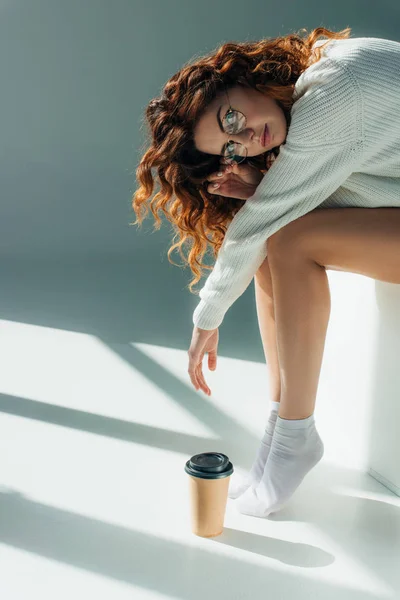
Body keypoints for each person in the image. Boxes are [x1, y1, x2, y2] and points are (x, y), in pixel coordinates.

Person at [132, 26, 400, 518]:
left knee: (288, 237)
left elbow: (264, 221)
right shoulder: (318, 75)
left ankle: (294, 437)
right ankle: (283, 430)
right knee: (278, 234)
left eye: (230, 116)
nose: (246, 138)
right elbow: (380, 181)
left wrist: (207, 317)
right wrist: (269, 193)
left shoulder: (335, 86)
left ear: (240, 78)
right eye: (231, 148)